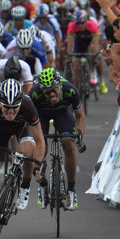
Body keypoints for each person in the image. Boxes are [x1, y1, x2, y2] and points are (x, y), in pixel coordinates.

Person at [0, 79, 45, 237]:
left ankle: (25, 186)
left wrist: (37, 167)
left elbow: (40, 141)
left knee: (29, 149)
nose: (11, 112)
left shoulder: (27, 105)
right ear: (0, 103)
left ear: (20, 103)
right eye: (6, 108)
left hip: (22, 128)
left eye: (14, 108)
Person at [29, 68, 85, 211]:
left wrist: (79, 137)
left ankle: (71, 190)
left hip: (63, 113)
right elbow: (29, 119)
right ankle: (42, 186)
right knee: (42, 147)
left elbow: (80, 116)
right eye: (47, 92)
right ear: (41, 91)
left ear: (60, 85)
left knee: (68, 144)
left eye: (54, 90)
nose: (52, 94)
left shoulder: (71, 90)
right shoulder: (34, 94)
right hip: (41, 115)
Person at [66, 10, 101, 89]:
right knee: (75, 67)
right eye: (77, 23)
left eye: (82, 23)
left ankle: (92, 70)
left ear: (86, 21)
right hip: (78, 44)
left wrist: (96, 54)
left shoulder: (92, 25)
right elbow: (70, 43)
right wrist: (69, 54)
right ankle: (75, 89)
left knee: (93, 50)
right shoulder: (72, 26)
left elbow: (96, 43)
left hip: (89, 42)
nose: (79, 25)